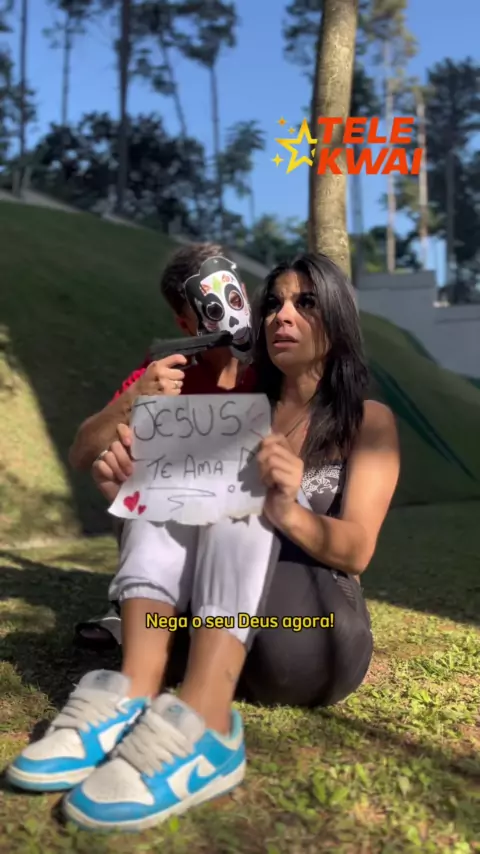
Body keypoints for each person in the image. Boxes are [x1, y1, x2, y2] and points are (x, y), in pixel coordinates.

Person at [6, 252, 400, 834]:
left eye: (306, 303)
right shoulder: (232, 409)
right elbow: (103, 461)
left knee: (219, 482)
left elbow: (357, 552)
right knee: (169, 476)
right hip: (211, 628)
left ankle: (204, 720)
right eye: (274, 304)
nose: (282, 316)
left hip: (307, 635)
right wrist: (132, 495)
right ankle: (137, 692)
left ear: (338, 320)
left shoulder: (367, 419)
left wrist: (285, 508)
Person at [70, 242, 257, 647]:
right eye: (211, 309)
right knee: (112, 462)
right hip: (180, 524)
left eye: (235, 298)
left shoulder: (276, 365)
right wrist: (134, 397)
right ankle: (140, 599)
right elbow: (82, 453)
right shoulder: (170, 370)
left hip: (254, 528)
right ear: (185, 324)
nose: (232, 315)